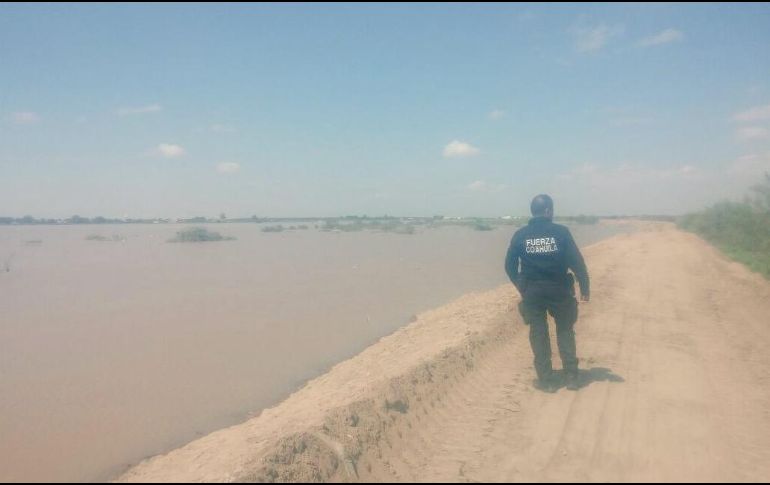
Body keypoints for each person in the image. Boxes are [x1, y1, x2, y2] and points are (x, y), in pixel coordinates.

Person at [504, 194, 590, 392]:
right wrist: (585, 287)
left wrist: (520, 285)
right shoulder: (561, 232)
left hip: (532, 293)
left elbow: (509, 265)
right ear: (548, 211)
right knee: (565, 330)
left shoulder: (520, 235)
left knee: (538, 333)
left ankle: (546, 380)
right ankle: (571, 376)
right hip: (560, 290)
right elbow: (577, 262)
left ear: (532, 212)